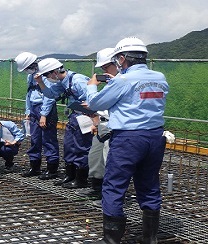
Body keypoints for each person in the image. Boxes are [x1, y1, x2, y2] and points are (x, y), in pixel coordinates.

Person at [86, 37, 169, 243]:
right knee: (149, 185)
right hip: (155, 137)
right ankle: (150, 239)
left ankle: (111, 240)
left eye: (117, 60)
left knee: (114, 186)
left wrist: (91, 86)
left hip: (129, 139)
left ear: (122, 58)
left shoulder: (122, 81)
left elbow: (95, 103)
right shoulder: (159, 77)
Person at [35, 58, 93, 189]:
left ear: (54, 72)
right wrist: (40, 83)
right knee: (69, 145)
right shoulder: (63, 82)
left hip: (84, 116)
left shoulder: (77, 80)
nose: (46, 78)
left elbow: (91, 99)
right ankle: (70, 175)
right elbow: (50, 95)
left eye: (46, 75)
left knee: (81, 147)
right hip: (74, 116)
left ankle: (81, 179)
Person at [14, 52, 60, 180]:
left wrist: (44, 115)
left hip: (46, 109)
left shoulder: (46, 74)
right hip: (34, 109)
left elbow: (49, 96)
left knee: (48, 139)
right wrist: (28, 111)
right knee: (35, 139)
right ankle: (35, 167)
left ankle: (52, 169)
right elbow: (29, 94)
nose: (26, 71)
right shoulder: (31, 76)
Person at [87, 48, 117, 201]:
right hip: (102, 124)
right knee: (96, 157)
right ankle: (96, 188)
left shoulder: (122, 83)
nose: (104, 71)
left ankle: (110, 197)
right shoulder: (111, 83)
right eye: (103, 68)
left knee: (109, 161)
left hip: (114, 128)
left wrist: (91, 88)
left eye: (106, 67)